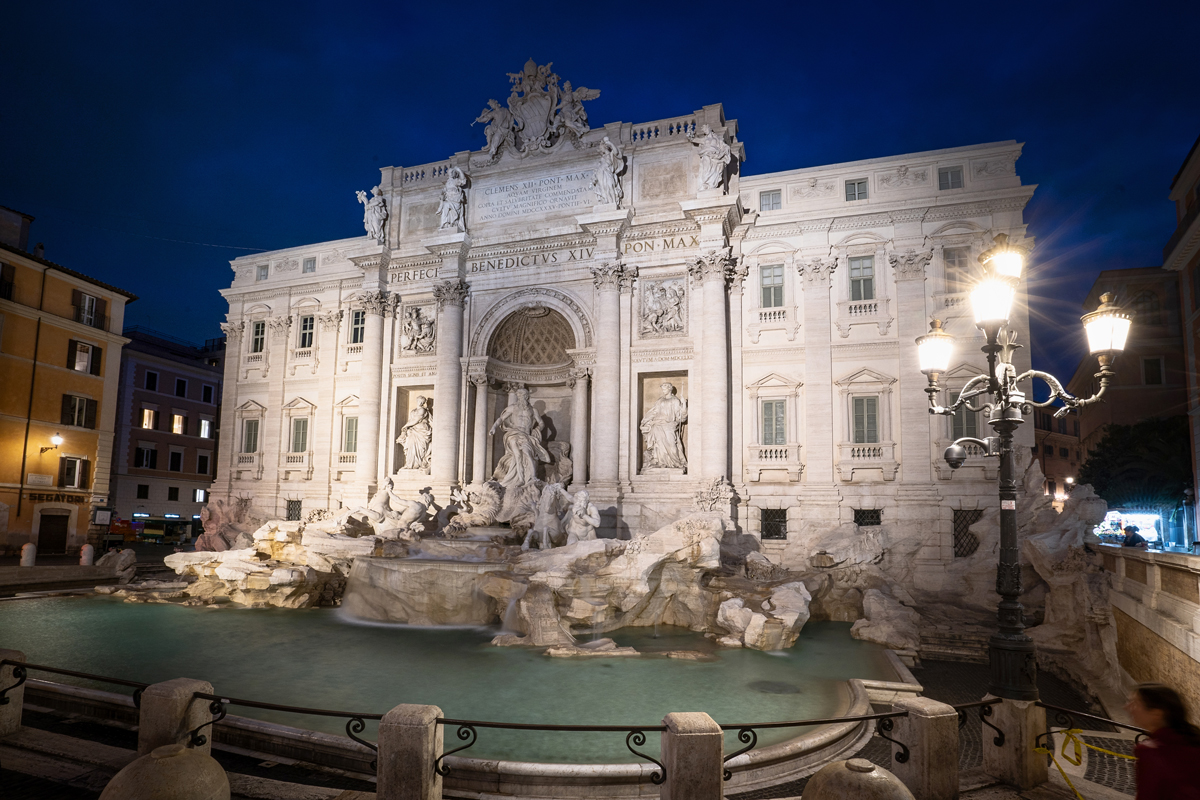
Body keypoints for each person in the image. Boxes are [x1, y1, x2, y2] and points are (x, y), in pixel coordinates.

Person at [1125, 684, 1200, 798]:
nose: (1127, 707)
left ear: (1156, 714)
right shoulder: (1192, 739)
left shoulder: (1150, 752)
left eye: (1135, 703)